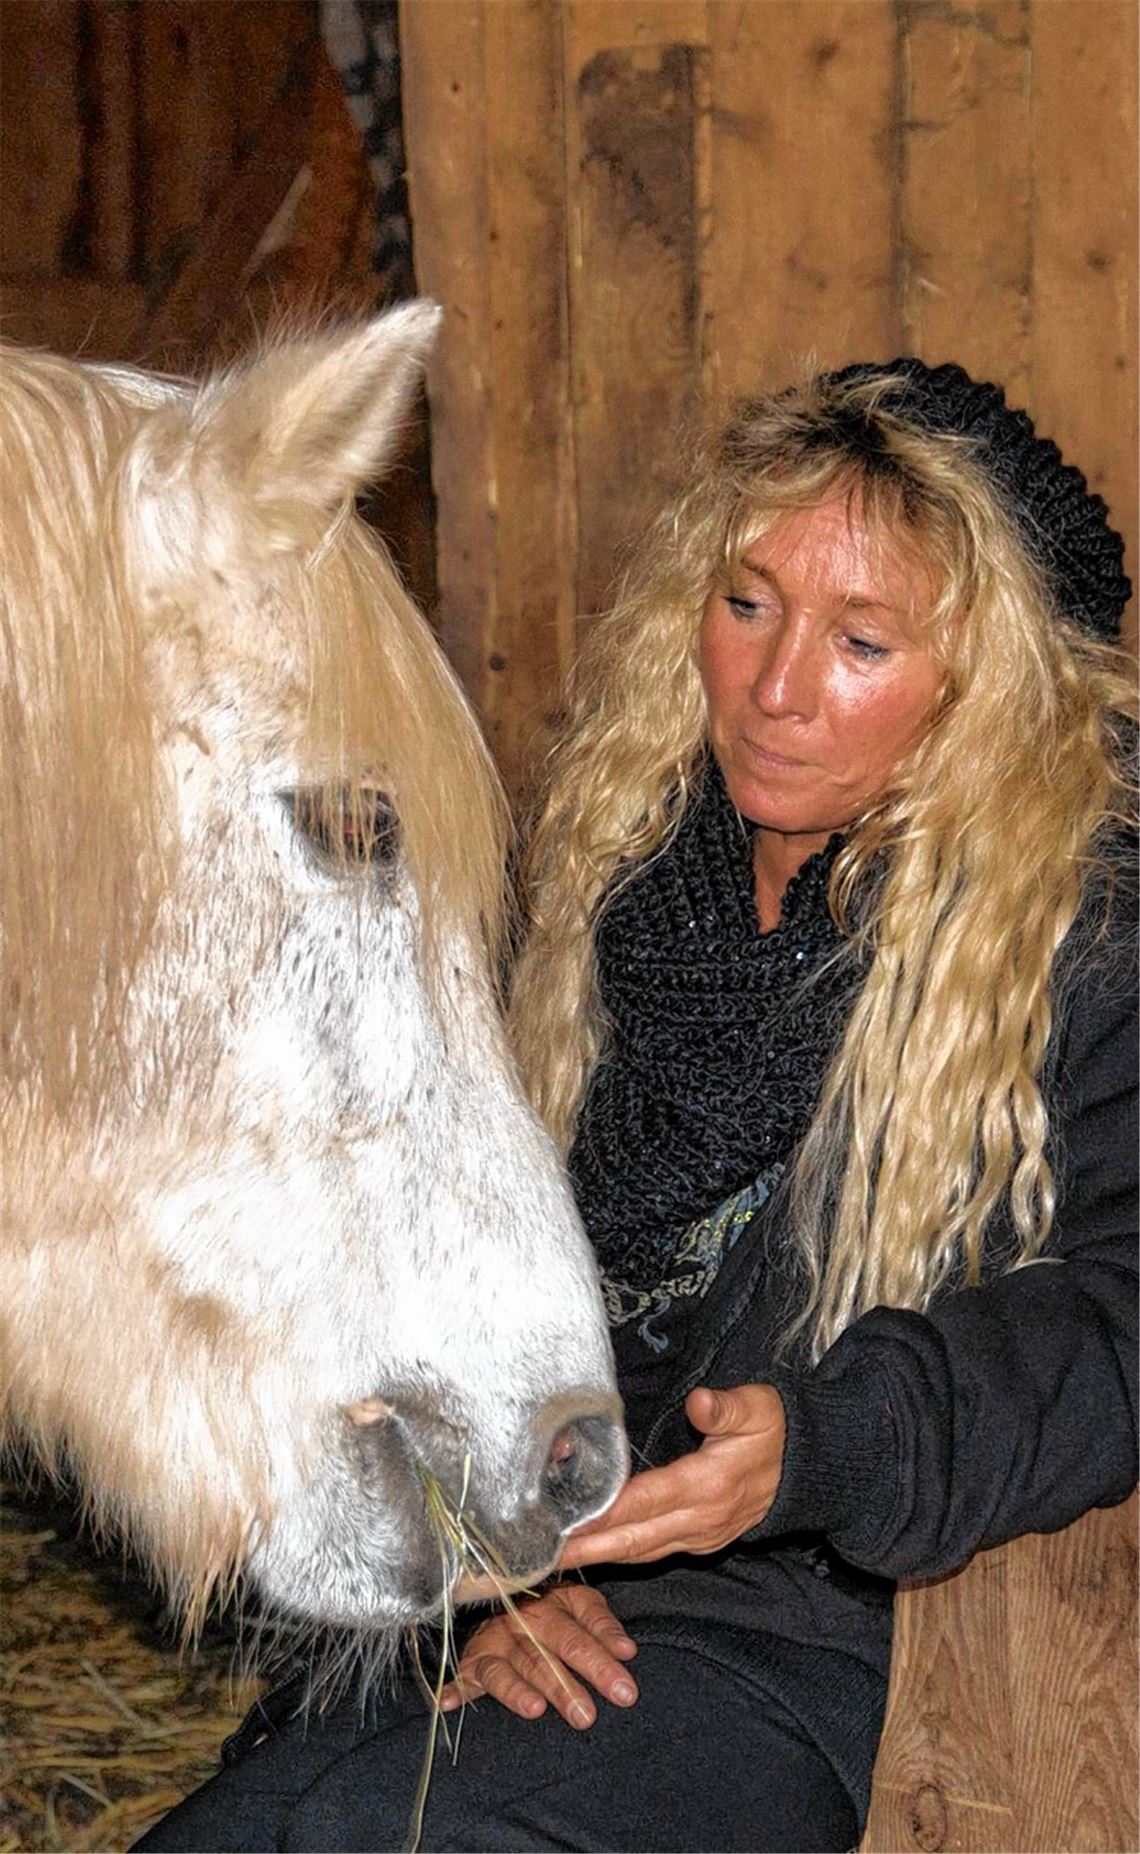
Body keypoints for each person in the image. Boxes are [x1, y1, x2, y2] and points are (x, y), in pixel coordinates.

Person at [138, 358, 1138, 1853]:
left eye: (862, 640)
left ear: (993, 684)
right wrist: (492, 1591)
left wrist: (824, 1443)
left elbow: (1117, 1318)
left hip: (824, 1631)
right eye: (747, 605)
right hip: (532, 1612)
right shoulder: (617, 871)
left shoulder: (1080, 940)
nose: (778, 686)